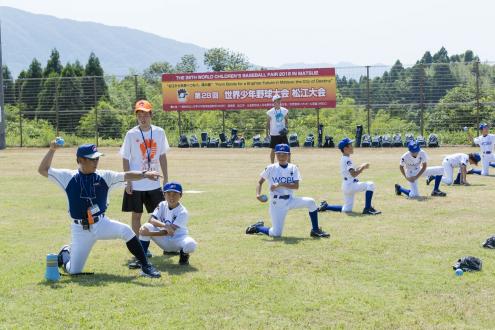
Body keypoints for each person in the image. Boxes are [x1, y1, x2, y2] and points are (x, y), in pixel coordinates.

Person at [38, 141, 161, 278]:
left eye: (97, 158)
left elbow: (126, 175)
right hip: (80, 229)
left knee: (126, 230)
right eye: (92, 159)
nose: (96, 162)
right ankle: (66, 254)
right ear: (80, 160)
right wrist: (52, 150)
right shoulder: (68, 176)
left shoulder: (104, 176)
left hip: (101, 223)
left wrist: (144, 174)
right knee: (74, 271)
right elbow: (42, 170)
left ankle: (146, 266)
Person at [245, 144, 330, 238]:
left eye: (284, 154)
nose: (281, 157)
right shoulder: (271, 168)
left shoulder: (293, 168)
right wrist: (258, 195)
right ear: (275, 155)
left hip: (290, 200)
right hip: (277, 203)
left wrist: (280, 184)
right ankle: (258, 228)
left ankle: (315, 230)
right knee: (276, 233)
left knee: (311, 202)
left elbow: (296, 186)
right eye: (279, 154)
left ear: (289, 155)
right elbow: (260, 182)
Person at [121, 99, 170, 248]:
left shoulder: (159, 132)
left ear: (151, 115)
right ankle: (139, 247)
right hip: (136, 183)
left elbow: (162, 155)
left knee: (159, 215)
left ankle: (163, 244)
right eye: (139, 115)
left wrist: (166, 178)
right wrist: (128, 181)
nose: (143, 118)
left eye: (146, 114)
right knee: (136, 215)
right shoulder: (131, 134)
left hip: (154, 182)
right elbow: (125, 158)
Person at [139, 182, 197, 266]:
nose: (171, 197)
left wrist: (149, 234)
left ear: (180, 195)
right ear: (164, 195)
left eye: (175, 194)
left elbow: (169, 232)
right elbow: (151, 220)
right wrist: (164, 225)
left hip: (178, 240)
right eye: (168, 194)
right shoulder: (162, 204)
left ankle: (184, 256)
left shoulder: (183, 212)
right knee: (146, 227)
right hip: (163, 240)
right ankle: (141, 259)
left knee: (191, 244)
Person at [337, 137, 381, 215]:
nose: (352, 146)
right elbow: (353, 174)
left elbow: (352, 171)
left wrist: (361, 166)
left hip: (346, 185)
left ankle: (326, 206)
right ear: (345, 148)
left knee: (347, 209)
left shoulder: (344, 158)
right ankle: (367, 209)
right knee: (370, 184)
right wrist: (363, 167)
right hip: (350, 185)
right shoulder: (347, 160)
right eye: (350, 145)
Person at [266, 95, 289, 163]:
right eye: (277, 100)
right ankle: (272, 164)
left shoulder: (284, 110)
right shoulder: (270, 112)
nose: (279, 102)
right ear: (274, 102)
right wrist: (267, 133)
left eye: (279, 100)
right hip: (274, 133)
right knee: (274, 149)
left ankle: (289, 164)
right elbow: (267, 123)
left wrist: (286, 128)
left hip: (282, 133)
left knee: (287, 149)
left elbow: (287, 120)